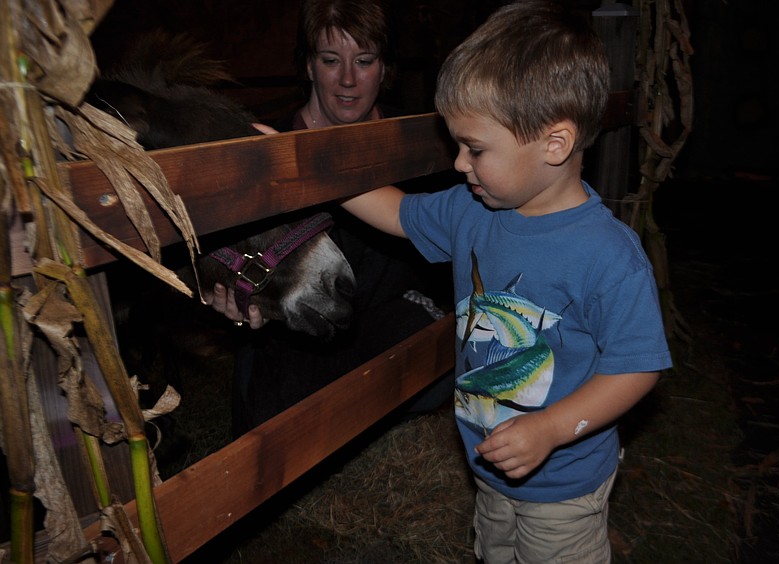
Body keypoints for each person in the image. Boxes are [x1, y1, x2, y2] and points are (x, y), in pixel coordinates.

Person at [337, 2, 672, 561]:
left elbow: (637, 367)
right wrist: (304, 171)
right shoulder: (472, 211)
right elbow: (395, 212)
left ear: (554, 144)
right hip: (488, 462)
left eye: (475, 148)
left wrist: (552, 429)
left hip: (563, 483)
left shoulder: (608, 257)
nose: (459, 163)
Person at [206, 0, 453, 436]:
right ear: (308, 65)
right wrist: (241, 301)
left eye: (364, 61)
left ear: (384, 67)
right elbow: (234, 260)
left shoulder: (418, 142)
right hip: (301, 333)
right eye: (330, 60)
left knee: (441, 357)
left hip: (390, 315)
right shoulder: (271, 149)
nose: (348, 80)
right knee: (268, 424)